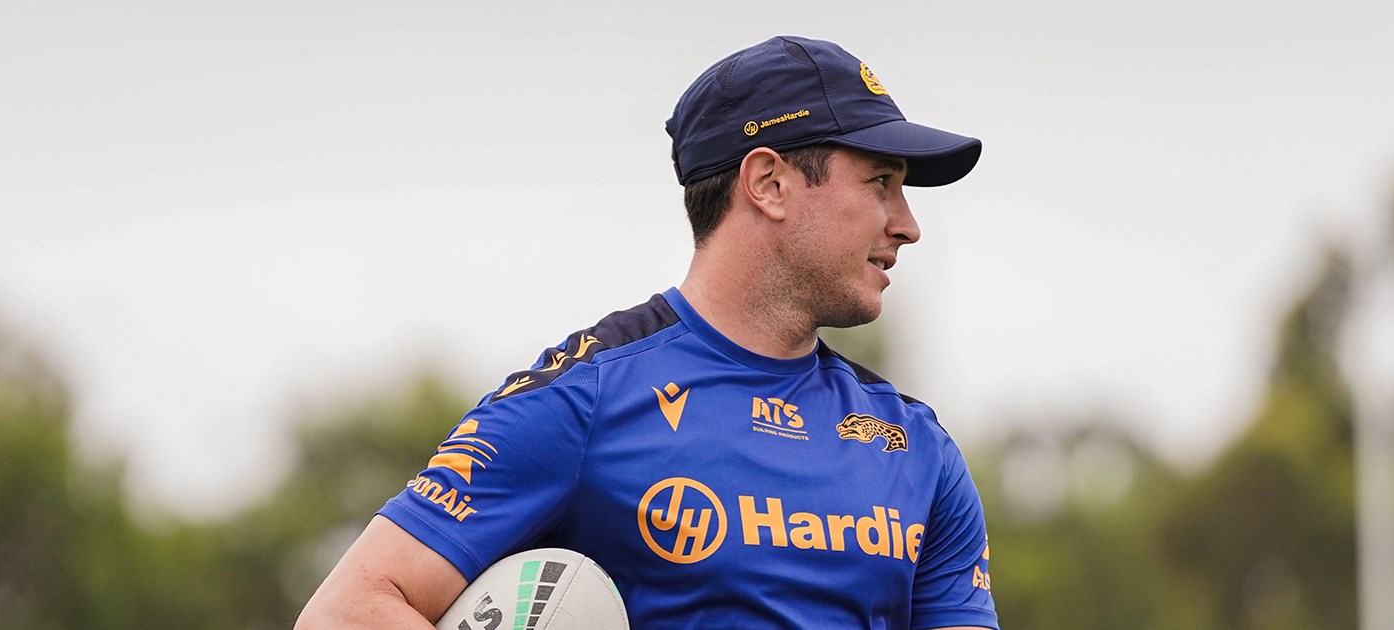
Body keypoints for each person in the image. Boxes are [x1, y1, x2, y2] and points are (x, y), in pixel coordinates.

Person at [297, 35, 998, 629]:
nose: (908, 224)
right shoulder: (584, 397)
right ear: (769, 183)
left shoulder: (918, 447)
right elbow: (349, 609)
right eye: (881, 182)